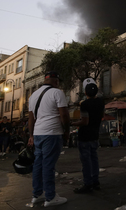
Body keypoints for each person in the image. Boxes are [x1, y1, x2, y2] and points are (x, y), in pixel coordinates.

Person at [27, 71, 70, 207]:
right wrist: (67, 131)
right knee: (48, 166)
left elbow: (31, 118)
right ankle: (50, 197)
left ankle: (37, 195)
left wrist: (31, 135)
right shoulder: (57, 92)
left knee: (38, 165)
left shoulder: (33, 95)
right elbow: (64, 114)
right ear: (56, 81)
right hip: (52, 133)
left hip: (38, 133)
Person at [72, 78, 104, 193]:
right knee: (94, 159)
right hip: (95, 135)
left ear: (85, 92)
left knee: (86, 161)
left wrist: (73, 123)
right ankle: (95, 182)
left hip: (85, 136)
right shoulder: (101, 102)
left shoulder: (84, 105)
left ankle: (88, 184)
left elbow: (84, 121)